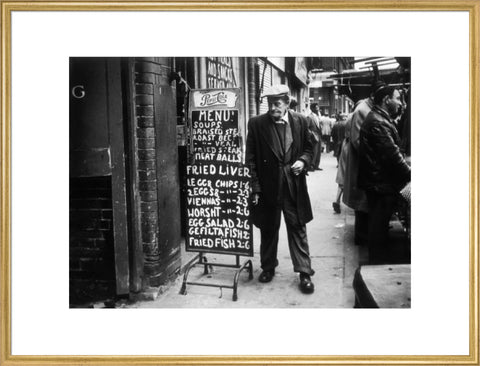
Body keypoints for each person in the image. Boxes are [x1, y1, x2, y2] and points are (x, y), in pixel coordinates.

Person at [246, 84, 315, 294]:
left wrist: (303, 161)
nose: (273, 107)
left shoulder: (300, 121)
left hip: (293, 186)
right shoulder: (257, 124)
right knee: (268, 228)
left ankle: (304, 272)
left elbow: (310, 148)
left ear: (287, 103)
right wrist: (255, 188)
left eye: (277, 103)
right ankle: (268, 267)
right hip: (268, 187)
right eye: (269, 103)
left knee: (297, 227)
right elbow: (250, 159)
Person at [358, 85, 411, 264]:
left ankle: (377, 261)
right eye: (397, 98)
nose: (400, 103)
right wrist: (410, 173)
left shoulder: (379, 118)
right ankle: (377, 266)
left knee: (378, 226)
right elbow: (392, 156)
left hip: (378, 182)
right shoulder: (378, 122)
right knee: (378, 228)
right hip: (380, 184)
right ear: (386, 99)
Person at [342, 91, 374, 246]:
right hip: (361, 164)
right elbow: (357, 140)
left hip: (362, 163)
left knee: (363, 203)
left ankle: (363, 236)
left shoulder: (365, 108)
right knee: (361, 203)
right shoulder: (362, 110)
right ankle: (361, 238)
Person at [306, 103, 322, 171]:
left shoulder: (318, 116)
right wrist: (311, 134)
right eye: (316, 107)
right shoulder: (309, 117)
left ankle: (316, 165)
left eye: (318, 107)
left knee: (318, 151)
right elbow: (307, 128)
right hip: (313, 136)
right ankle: (311, 165)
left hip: (319, 135)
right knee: (314, 151)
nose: (318, 109)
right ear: (312, 109)